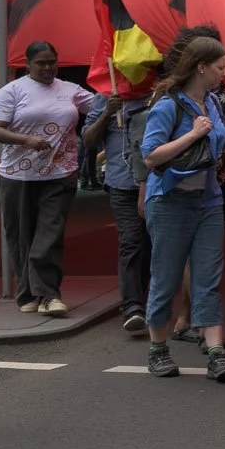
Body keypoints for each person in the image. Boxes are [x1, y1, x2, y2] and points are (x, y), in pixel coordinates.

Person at [139, 37, 225, 382]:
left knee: (208, 279)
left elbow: (221, 137)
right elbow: (151, 156)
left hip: (207, 201)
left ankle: (216, 353)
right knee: (166, 278)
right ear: (201, 67)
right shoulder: (168, 105)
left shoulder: (211, 102)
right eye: (220, 68)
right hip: (169, 202)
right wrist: (193, 134)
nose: (224, 74)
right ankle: (158, 349)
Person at [0, 41, 103, 315]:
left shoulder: (70, 90)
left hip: (60, 174)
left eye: (52, 62)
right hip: (18, 175)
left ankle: (49, 295)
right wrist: (26, 140)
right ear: (28, 64)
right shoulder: (11, 91)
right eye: (41, 63)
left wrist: (114, 101)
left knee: (49, 234)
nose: (48, 67)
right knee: (20, 236)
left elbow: (99, 106)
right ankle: (28, 294)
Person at [83, 82, 150, 334]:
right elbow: (88, 140)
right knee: (131, 241)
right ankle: (132, 307)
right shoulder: (105, 96)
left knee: (151, 246)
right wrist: (107, 113)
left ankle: (145, 300)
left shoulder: (158, 93)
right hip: (122, 183)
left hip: (156, 183)